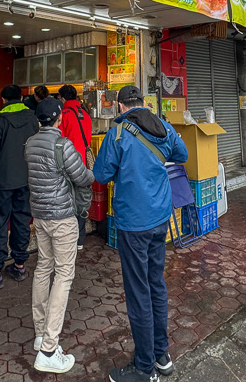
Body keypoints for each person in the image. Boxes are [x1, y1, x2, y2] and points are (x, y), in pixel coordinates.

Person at [93, 85, 189, 382]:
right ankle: (161, 355)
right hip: (161, 217)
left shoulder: (117, 134)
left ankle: (144, 367)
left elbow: (100, 175)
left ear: (120, 106)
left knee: (138, 293)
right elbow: (181, 154)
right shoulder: (163, 126)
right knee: (156, 284)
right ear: (142, 103)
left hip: (133, 223)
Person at [25, 97, 95, 374]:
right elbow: (82, 178)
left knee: (43, 268)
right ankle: (49, 349)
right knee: (64, 275)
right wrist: (92, 170)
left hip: (39, 216)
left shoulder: (30, 143)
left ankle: (40, 333)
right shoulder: (62, 145)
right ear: (57, 119)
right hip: (63, 218)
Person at [0, 85, 39, 290]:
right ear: (21, 97)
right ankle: (19, 265)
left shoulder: (0, 121)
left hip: (2, 182)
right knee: (22, 220)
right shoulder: (32, 119)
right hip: (26, 179)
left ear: (3, 100)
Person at [58, 84, 93, 249]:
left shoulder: (64, 114)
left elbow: (59, 141)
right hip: (84, 165)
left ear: (63, 98)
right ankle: (80, 239)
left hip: (68, 164)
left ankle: (69, 239)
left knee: (68, 201)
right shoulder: (85, 113)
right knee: (81, 202)